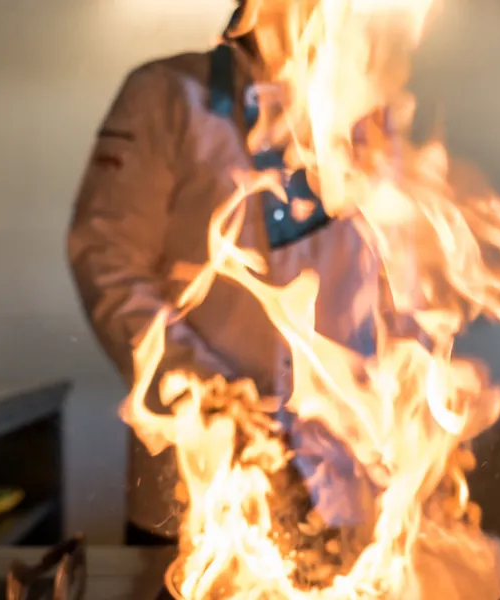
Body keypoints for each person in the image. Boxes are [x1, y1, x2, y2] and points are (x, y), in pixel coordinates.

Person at [67, 0, 384, 545]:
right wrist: (213, 396)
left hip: (342, 482)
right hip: (201, 480)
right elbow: (107, 260)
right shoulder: (165, 95)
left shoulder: (362, 111)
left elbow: (388, 280)